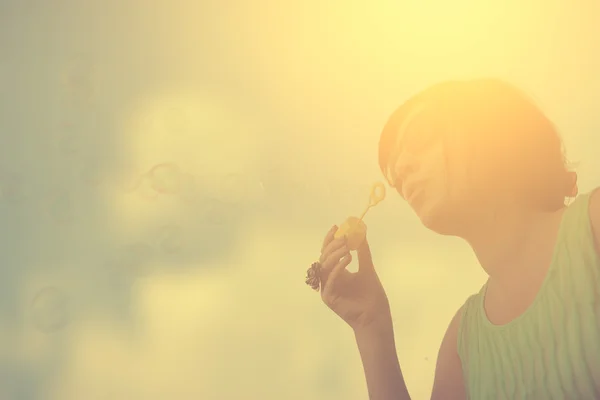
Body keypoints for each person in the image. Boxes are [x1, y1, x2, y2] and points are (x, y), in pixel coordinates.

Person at [305, 78, 600, 399]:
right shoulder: (462, 345)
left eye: (419, 137)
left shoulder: (594, 225)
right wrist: (370, 324)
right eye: (393, 173)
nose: (400, 169)